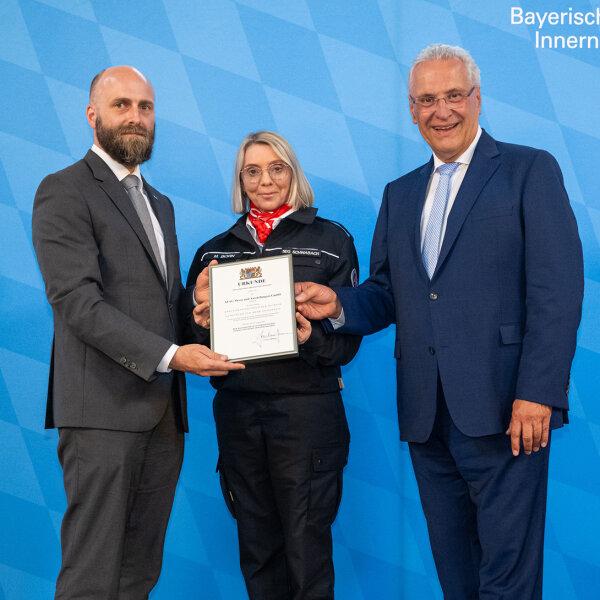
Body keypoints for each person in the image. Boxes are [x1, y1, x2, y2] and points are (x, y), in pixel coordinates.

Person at [295, 44, 583, 599]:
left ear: (477, 100)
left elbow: (557, 291)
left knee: (507, 578)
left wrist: (538, 393)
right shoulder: (400, 194)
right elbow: (387, 293)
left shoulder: (529, 169)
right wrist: (336, 305)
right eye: (427, 100)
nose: (441, 110)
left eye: (453, 95)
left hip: (507, 411)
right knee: (457, 576)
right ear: (411, 110)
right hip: (427, 417)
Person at [32, 66, 244, 600]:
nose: (135, 118)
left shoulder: (160, 204)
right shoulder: (63, 190)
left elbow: (159, 304)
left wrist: (206, 313)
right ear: (92, 115)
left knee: (138, 573)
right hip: (101, 412)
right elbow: (78, 303)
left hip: (162, 416)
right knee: (92, 574)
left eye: (144, 107)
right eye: (121, 105)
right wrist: (174, 355)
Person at [186, 131, 361, 600]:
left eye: (277, 168)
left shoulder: (331, 241)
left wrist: (310, 339)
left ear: (293, 173)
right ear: (241, 181)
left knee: (307, 551)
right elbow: (191, 343)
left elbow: (347, 343)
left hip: (307, 417)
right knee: (257, 550)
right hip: (240, 417)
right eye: (253, 171)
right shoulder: (212, 253)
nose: (266, 180)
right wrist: (200, 324)